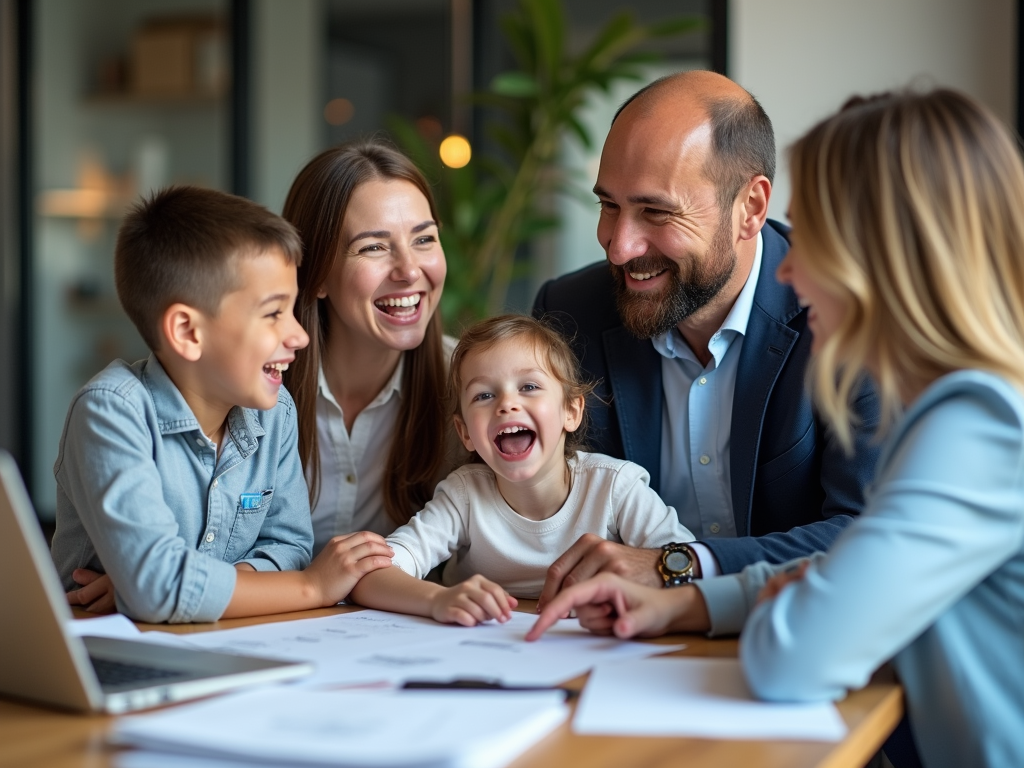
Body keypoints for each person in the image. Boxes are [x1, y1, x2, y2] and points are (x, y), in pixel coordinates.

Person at [529, 89, 1024, 768]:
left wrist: (804, 601)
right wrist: (687, 603)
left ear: (886, 257)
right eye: (609, 206)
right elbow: (849, 569)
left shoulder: (979, 427)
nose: (787, 266)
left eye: (814, 237)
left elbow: (793, 656)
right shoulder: (960, 407)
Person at [532, 70, 881, 608]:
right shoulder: (568, 312)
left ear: (751, 208)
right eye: (608, 205)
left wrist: (680, 566)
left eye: (656, 211)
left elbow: (868, 534)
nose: (620, 247)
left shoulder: (846, 317)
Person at [54, 187, 393, 623]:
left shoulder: (275, 412)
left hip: (223, 641)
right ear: (188, 333)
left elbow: (288, 547)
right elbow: (160, 588)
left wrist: (164, 586)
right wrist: (314, 585)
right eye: (273, 313)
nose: (300, 336)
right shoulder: (110, 412)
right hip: (106, 656)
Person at [350, 315, 695, 626]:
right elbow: (371, 575)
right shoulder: (464, 496)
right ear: (465, 433)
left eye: (529, 387)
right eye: (483, 395)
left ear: (571, 411)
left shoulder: (616, 487)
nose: (506, 404)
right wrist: (438, 598)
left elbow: (691, 567)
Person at [280, 141, 457, 554]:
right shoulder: (254, 386)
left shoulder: (470, 387)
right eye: (373, 247)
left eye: (424, 239)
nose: (410, 270)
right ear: (315, 274)